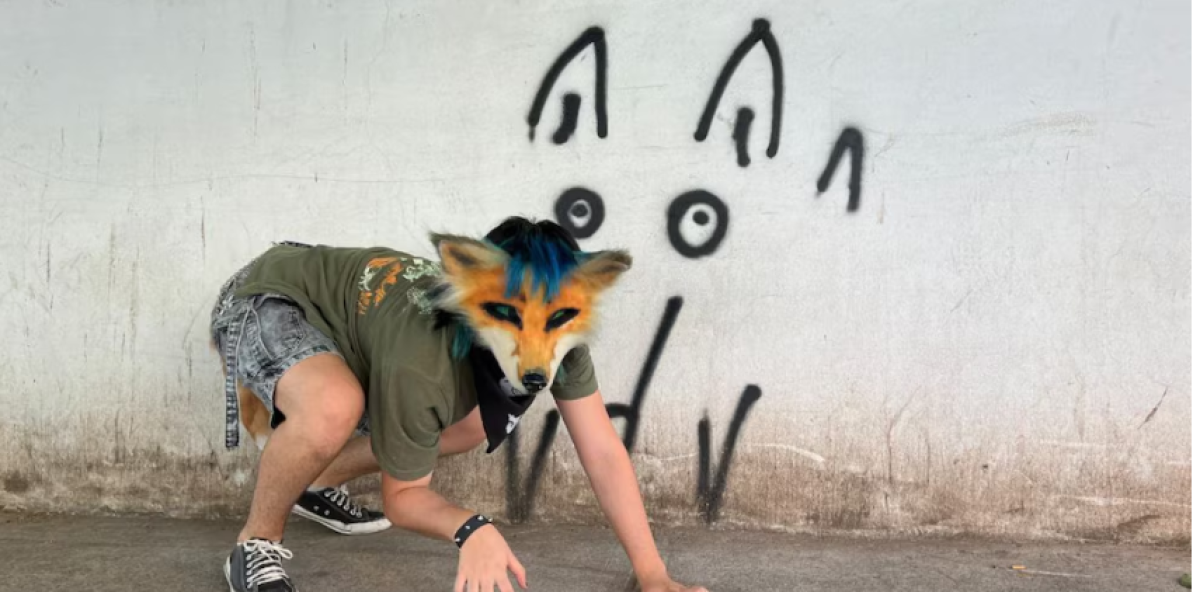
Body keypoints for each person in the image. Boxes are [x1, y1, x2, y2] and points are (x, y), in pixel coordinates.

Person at [209, 216, 707, 592]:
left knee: (472, 424)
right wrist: (471, 528)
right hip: (265, 297)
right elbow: (403, 498)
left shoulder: (565, 342)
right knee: (335, 405)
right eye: (511, 316)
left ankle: (312, 480)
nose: (537, 353)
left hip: (345, 322)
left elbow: (602, 451)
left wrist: (653, 576)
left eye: (555, 319)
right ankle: (255, 544)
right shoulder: (421, 359)